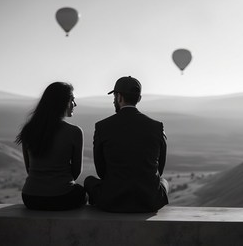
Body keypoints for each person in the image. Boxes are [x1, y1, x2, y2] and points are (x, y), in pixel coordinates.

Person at [84, 76, 169, 212]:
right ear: (139, 99)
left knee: (88, 180)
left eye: (114, 97)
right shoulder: (157, 126)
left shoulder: (102, 126)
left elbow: (101, 172)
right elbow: (160, 170)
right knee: (164, 182)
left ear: (118, 97)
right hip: (149, 202)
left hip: (112, 201)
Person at [15, 82, 86, 210]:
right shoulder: (74, 132)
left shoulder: (29, 129)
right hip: (62, 197)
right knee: (82, 192)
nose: (75, 105)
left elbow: (29, 169)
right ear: (62, 102)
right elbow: (76, 172)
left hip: (30, 198)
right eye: (72, 100)